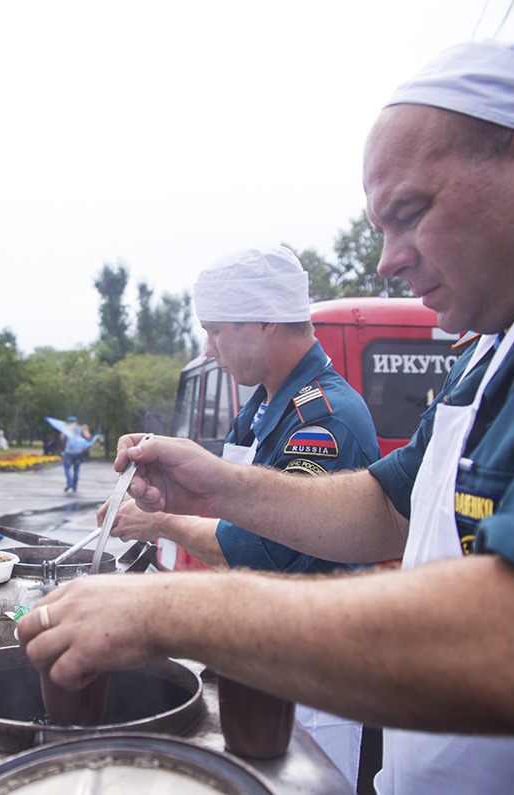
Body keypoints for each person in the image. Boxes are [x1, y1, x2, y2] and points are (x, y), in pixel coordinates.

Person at [20, 39, 514, 793]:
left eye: (410, 213)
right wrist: (218, 485)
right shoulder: (494, 344)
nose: (387, 259)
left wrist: (163, 608)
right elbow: (388, 503)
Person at [104, 247, 380, 786]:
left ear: (265, 321)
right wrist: (171, 487)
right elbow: (235, 500)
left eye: (216, 331)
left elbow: (263, 549)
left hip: (314, 681)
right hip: (266, 655)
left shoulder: (323, 421)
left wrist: (158, 523)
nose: (209, 349)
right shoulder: (261, 408)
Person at [61, 416, 92, 492]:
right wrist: (85, 430)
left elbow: (62, 437)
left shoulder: (67, 428)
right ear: (76, 422)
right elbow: (88, 437)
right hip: (78, 451)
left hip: (69, 451)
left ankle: (70, 482)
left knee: (66, 467)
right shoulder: (80, 428)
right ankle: (74, 487)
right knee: (76, 469)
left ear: (69, 421)